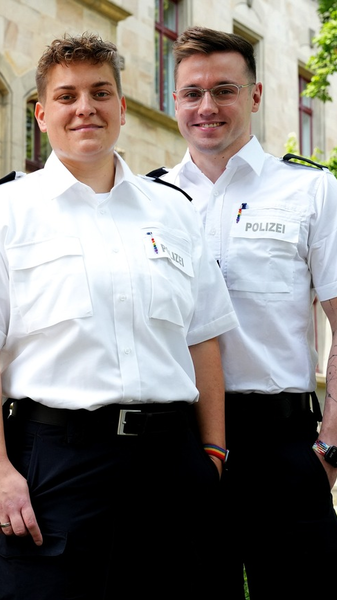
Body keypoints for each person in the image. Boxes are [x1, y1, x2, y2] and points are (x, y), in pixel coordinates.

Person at [0, 33, 238, 600]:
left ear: (122, 108)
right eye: (67, 95)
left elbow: (203, 340)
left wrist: (214, 453)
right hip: (57, 461)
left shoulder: (174, 211)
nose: (85, 108)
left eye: (101, 92)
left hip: (172, 461)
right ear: (41, 113)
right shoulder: (3, 211)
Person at [158, 26, 337, 599]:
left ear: (255, 96)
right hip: (177, 442)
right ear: (174, 99)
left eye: (224, 90)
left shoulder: (310, 192)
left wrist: (330, 449)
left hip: (282, 444)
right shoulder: (147, 200)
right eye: (192, 93)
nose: (206, 106)